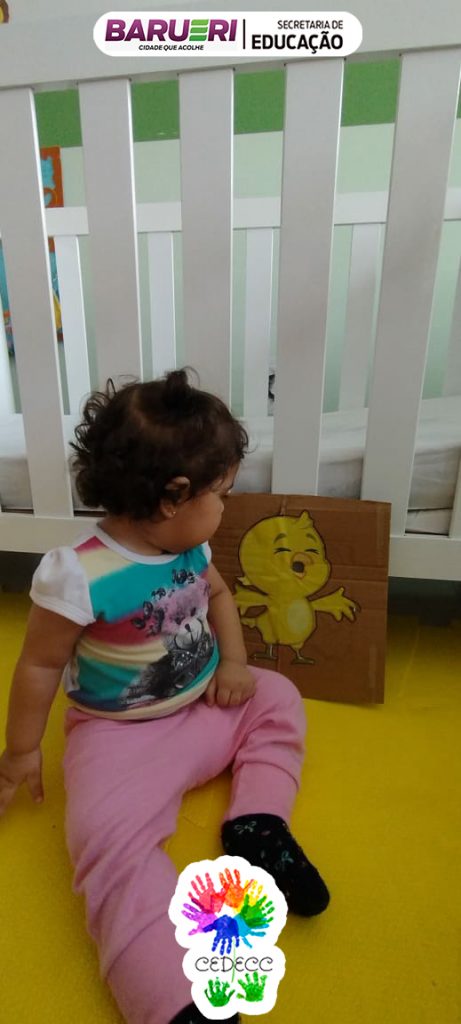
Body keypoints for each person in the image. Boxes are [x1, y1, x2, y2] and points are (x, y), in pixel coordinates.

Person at [0, 369, 330, 1024]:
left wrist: (234, 662)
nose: (226, 509)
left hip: (206, 705)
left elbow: (217, 596)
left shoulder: (192, 546)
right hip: (118, 738)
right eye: (221, 495)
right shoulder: (78, 574)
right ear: (175, 496)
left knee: (277, 696)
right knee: (106, 845)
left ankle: (257, 823)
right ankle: (170, 999)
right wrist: (21, 751)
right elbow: (38, 665)